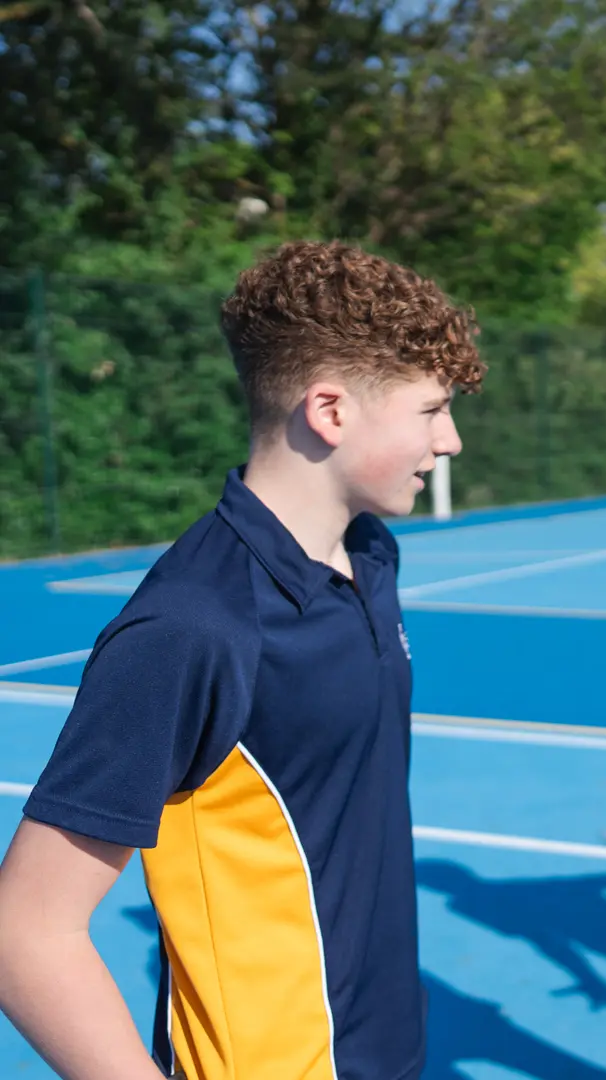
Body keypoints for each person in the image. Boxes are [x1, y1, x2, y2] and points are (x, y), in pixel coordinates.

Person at [0, 240, 484, 1079]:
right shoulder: (194, 626)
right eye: (431, 410)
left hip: (386, 1049)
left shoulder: (371, 556)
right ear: (329, 410)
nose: (451, 441)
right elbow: (25, 931)